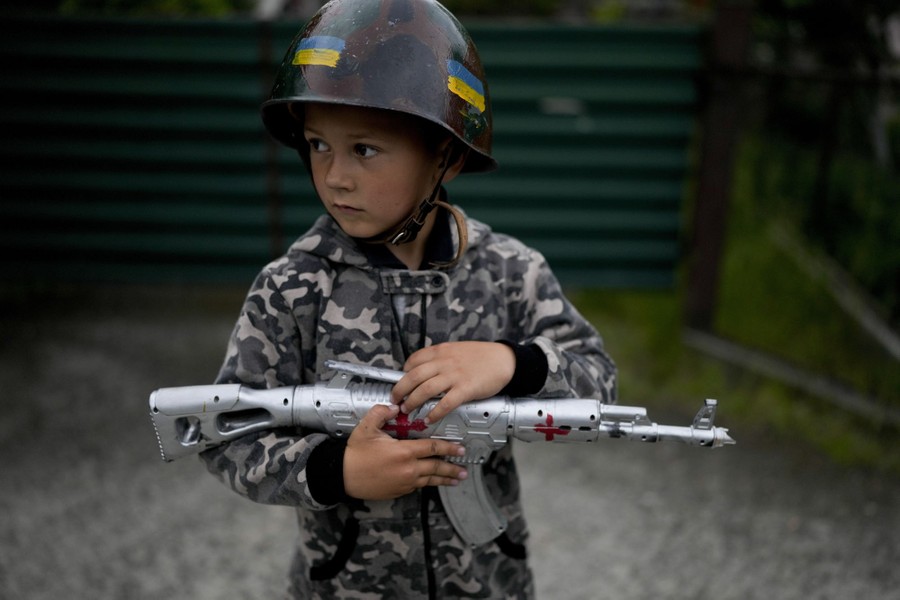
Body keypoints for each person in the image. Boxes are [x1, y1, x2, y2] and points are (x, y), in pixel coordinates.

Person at [201, 0, 617, 597]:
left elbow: (600, 385)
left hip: (484, 583)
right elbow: (228, 436)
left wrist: (512, 363)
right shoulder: (291, 289)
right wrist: (337, 470)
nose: (335, 176)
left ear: (444, 155)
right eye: (319, 145)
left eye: (364, 150)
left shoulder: (509, 274)